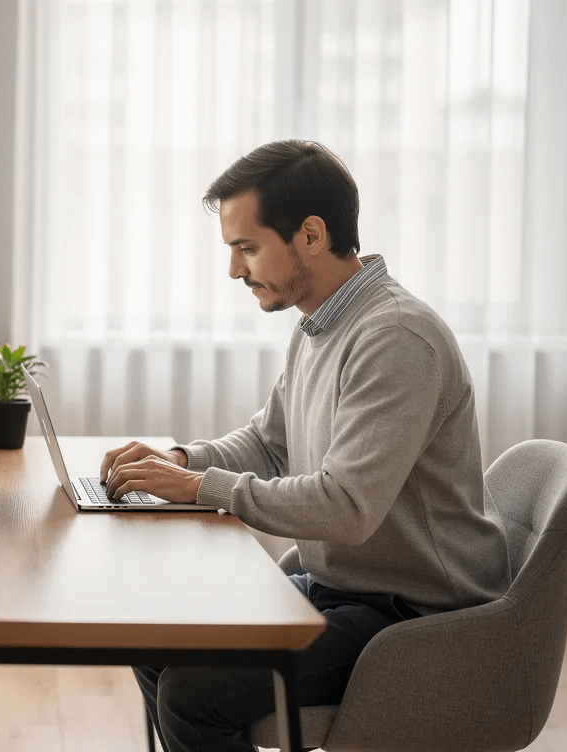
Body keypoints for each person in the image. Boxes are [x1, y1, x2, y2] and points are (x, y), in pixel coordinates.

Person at [99, 140, 511, 752]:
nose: (236, 271)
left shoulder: (395, 337)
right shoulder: (319, 325)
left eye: (247, 248)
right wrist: (182, 461)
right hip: (342, 592)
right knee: (157, 643)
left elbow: (347, 506)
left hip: (415, 618)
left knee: (193, 694)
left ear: (311, 235)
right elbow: (270, 443)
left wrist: (201, 489)